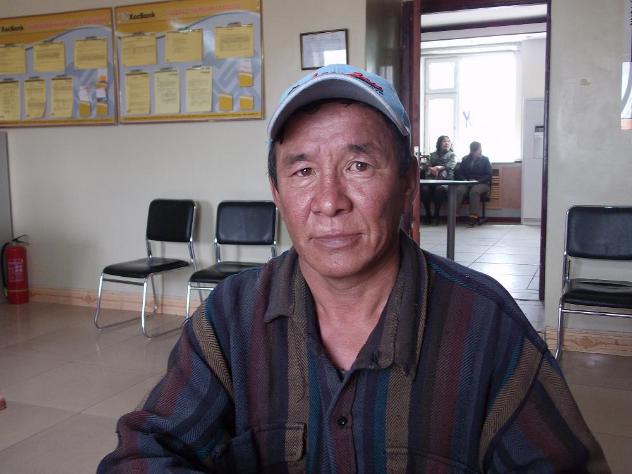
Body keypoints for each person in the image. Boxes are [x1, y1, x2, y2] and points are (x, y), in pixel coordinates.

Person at [98, 65, 608, 473]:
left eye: (358, 166)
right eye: (303, 171)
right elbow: (144, 452)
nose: (329, 201)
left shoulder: (484, 325)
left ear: (408, 184)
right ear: (277, 194)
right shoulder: (231, 317)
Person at [455, 141, 493, 227]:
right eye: (478, 150)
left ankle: (473, 217)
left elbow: (489, 174)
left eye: (480, 149)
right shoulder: (465, 159)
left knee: (474, 191)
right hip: (467, 182)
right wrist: (464, 180)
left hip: (482, 183)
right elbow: (460, 173)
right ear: (472, 151)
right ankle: (455, 214)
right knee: (459, 190)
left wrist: (478, 181)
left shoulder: (485, 159)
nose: (480, 151)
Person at [420, 135, 456, 225]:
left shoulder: (452, 155)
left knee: (439, 189)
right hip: (432, 180)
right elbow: (427, 165)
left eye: (448, 141)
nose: (447, 143)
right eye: (444, 141)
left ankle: (436, 215)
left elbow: (451, 165)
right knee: (424, 189)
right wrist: (431, 169)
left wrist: (438, 168)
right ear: (439, 143)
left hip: (446, 181)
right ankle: (428, 214)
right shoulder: (433, 154)